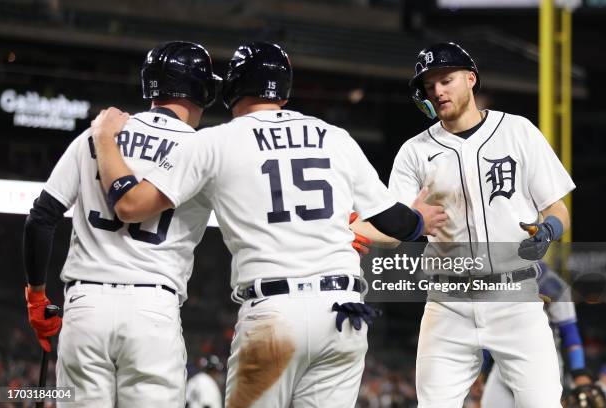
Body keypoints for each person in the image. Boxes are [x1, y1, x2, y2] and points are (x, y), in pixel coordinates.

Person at [89, 41, 447, 408]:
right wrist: (419, 219)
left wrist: (103, 139)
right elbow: (394, 222)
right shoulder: (334, 136)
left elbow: (131, 206)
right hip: (343, 313)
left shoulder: (216, 141)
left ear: (231, 88)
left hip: (275, 311)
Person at [355, 42, 575, 407]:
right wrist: (346, 229)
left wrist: (549, 230)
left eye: (446, 79)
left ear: (470, 79)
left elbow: (558, 209)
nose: (438, 91)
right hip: (448, 303)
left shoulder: (517, 131)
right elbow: (391, 227)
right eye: (429, 85)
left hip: (515, 296)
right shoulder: (415, 151)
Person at [22, 41, 221, 407]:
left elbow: (41, 217)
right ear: (203, 90)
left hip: (85, 306)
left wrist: (36, 296)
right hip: (152, 307)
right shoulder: (204, 151)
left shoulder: (98, 134)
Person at [480, 262, 593, 407]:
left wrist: (579, 372)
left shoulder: (551, 284)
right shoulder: (497, 277)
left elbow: (569, 332)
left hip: (540, 362)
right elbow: (491, 330)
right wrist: (481, 368)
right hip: (503, 363)